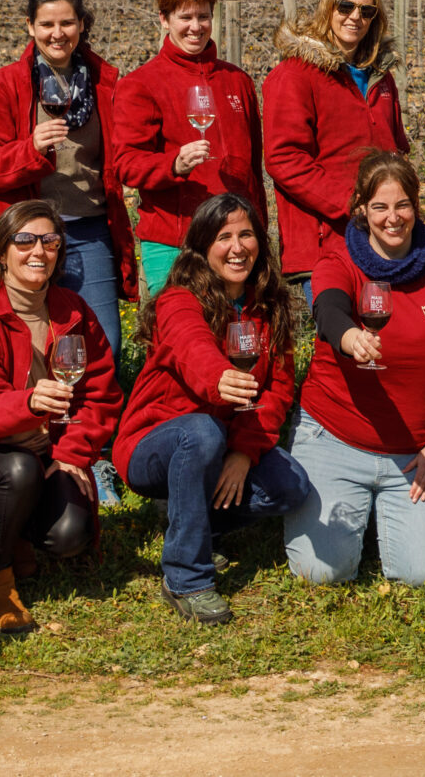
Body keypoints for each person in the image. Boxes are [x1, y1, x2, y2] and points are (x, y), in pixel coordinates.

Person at [114, 194, 309, 624]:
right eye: (224, 237)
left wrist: (244, 452)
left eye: (246, 235)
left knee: (290, 485)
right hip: (155, 442)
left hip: (225, 444)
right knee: (202, 431)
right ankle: (186, 578)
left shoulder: (270, 307)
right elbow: (191, 344)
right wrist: (219, 377)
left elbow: (277, 392)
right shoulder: (178, 300)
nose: (237, 247)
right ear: (203, 248)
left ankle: (190, 523)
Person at [285, 153, 425, 586]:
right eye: (380, 207)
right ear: (361, 208)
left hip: (416, 448)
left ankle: (387, 515)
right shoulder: (338, 259)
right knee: (321, 573)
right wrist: (350, 337)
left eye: (403, 205)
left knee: (423, 573)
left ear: (416, 205)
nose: (393, 218)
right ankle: (354, 505)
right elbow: (329, 308)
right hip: (335, 437)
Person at [0, 201, 125, 634]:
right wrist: (28, 403)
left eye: (49, 241)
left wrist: (70, 454)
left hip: (52, 449)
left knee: (69, 536)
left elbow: (101, 395)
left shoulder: (73, 310)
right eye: (24, 240)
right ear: (0, 253)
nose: (38, 251)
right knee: (19, 469)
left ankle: (21, 535)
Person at [0, 0, 136, 374]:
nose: (57, 33)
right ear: (30, 26)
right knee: (26, 348)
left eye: (67, 23)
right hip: (26, 237)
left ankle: (88, 414)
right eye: (46, 24)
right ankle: (32, 413)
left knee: (104, 345)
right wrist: (29, 148)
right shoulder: (1, 87)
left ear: (81, 24)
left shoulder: (107, 84)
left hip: (88, 229)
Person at [110, 0, 266, 305]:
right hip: (174, 245)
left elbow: (253, 172)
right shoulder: (140, 85)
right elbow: (126, 164)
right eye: (185, 17)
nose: (195, 27)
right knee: (180, 330)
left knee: (239, 332)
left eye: (203, 16)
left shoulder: (237, 82)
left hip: (236, 247)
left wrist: (260, 236)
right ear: (164, 19)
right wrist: (174, 165)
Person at [264, 0, 408, 293]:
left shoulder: (381, 76)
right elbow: (284, 159)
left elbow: (397, 150)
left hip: (383, 238)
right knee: (339, 325)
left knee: (386, 323)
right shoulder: (296, 75)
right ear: (328, 7)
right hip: (326, 244)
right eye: (346, 7)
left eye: (366, 11)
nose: (355, 17)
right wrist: (350, 201)